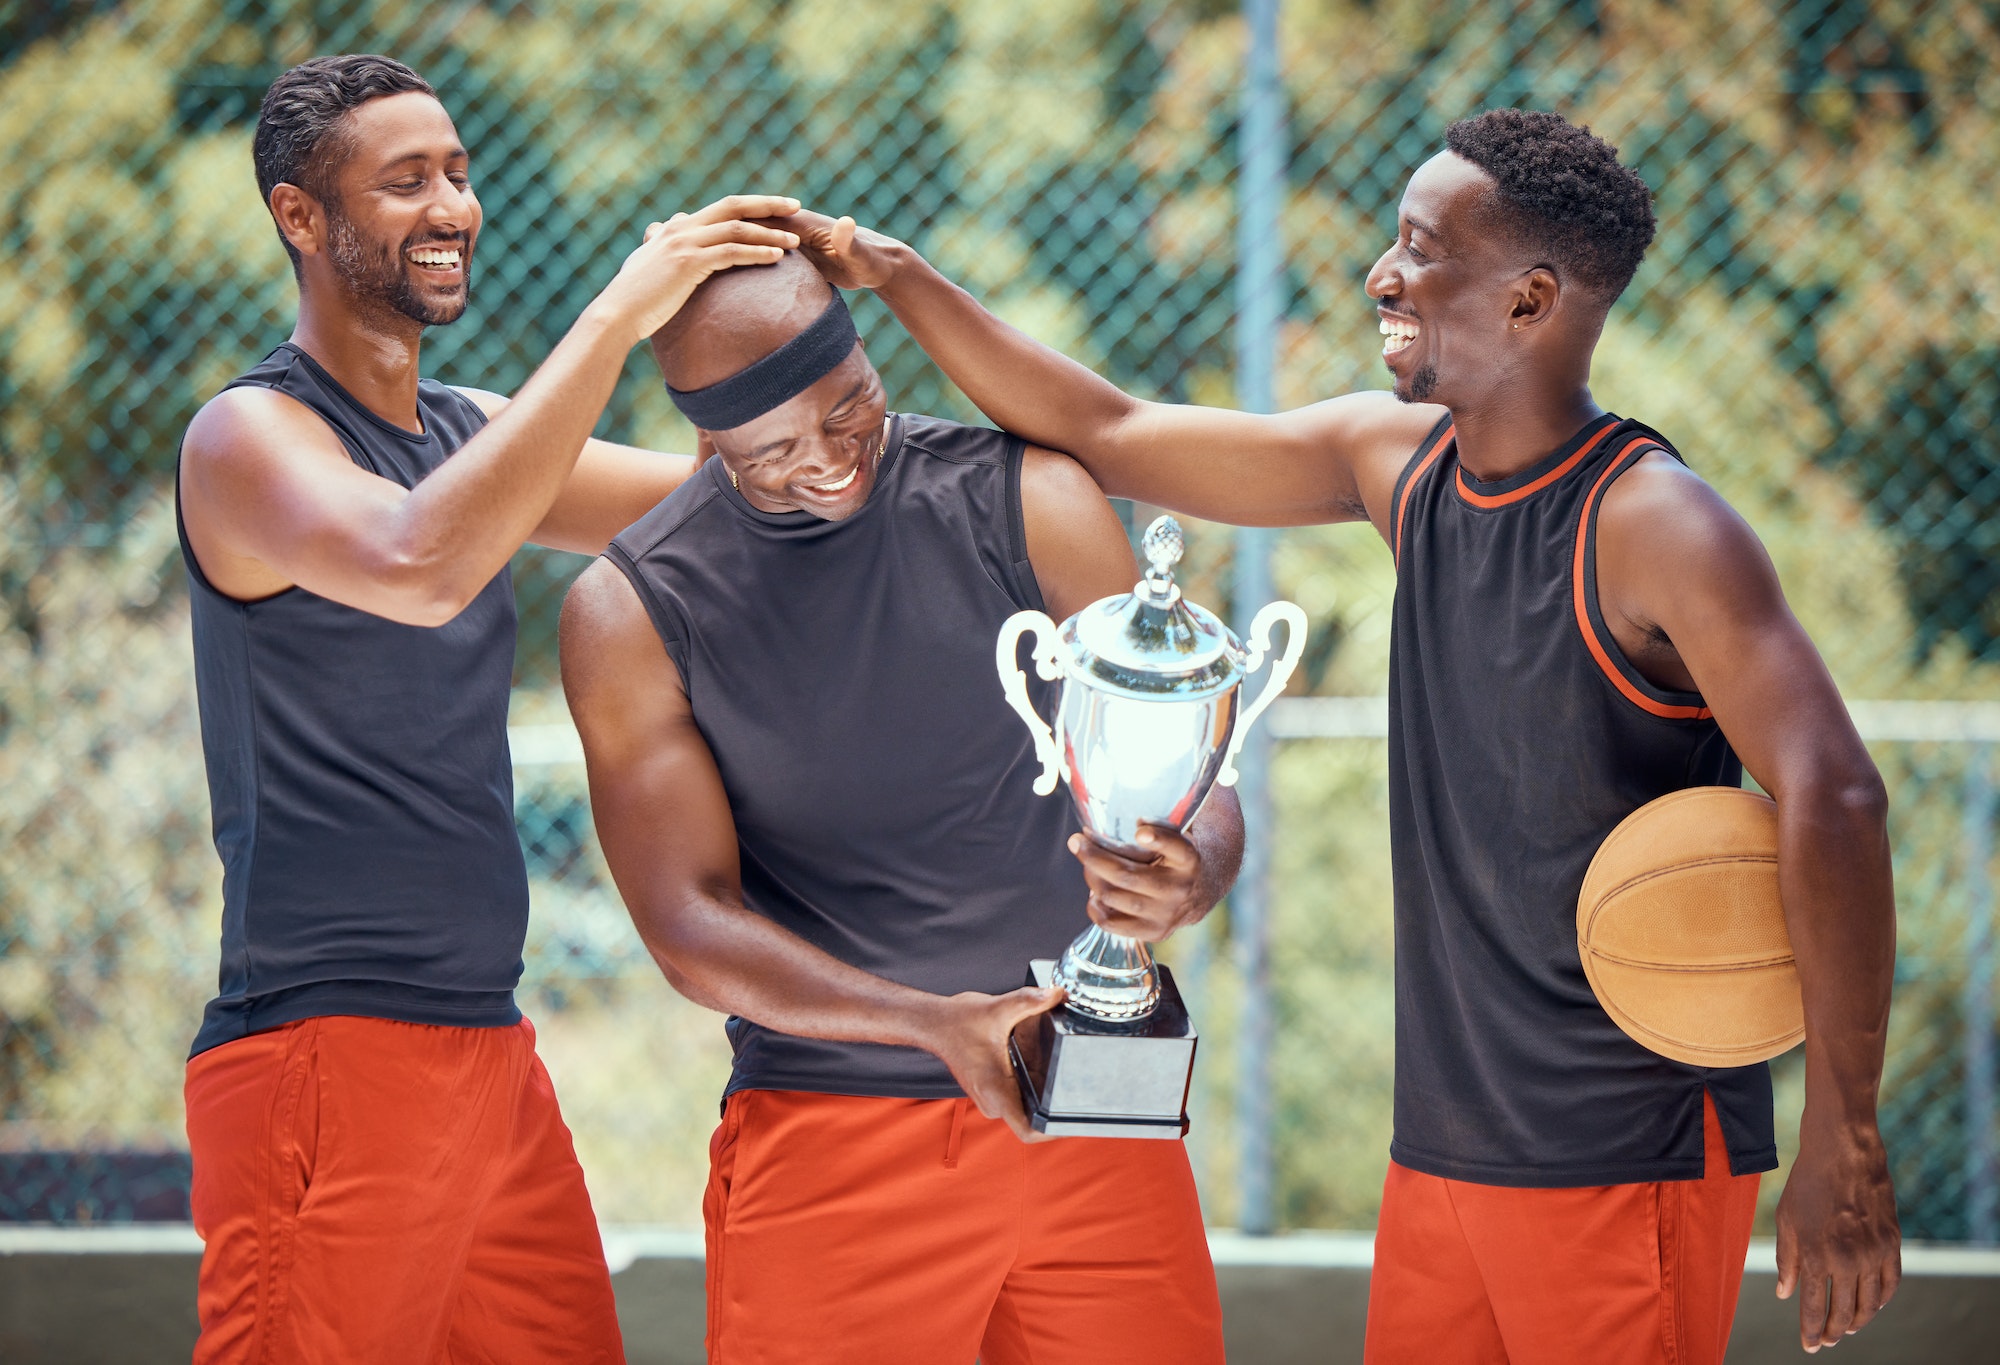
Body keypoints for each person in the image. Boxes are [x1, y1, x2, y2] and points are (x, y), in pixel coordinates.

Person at [784, 107, 1902, 1360]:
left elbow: (1834, 793)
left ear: (1530, 301)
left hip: (1617, 1143)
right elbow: (1108, 435)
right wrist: (895, 276)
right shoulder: (1398, 460)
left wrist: (1843, 1134)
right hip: (1442, 1143)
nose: (1383, 271)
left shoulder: (1653, 524)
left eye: (1422, 249)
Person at [175, 52, 801, 1363]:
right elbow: (418, 560)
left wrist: (727, 324)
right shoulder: (246, 441)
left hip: (486, 1050)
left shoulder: (466, 432)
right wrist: (615, 318)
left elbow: (720, 512)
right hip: (324, 1051)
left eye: (457, 172)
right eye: (404, 181)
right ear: (302, 217)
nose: (453, 203)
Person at [559, 248, 1240, 1364]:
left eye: (852, 409)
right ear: (702, 436)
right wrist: (932, 1024)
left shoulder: (1027, 499)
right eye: (774, 448)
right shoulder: (632, 610)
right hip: (832, 1135)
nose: (830, 461)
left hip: (1085, 1101)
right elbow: (687, 927)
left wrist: (1195, 862)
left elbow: (1189, 771)